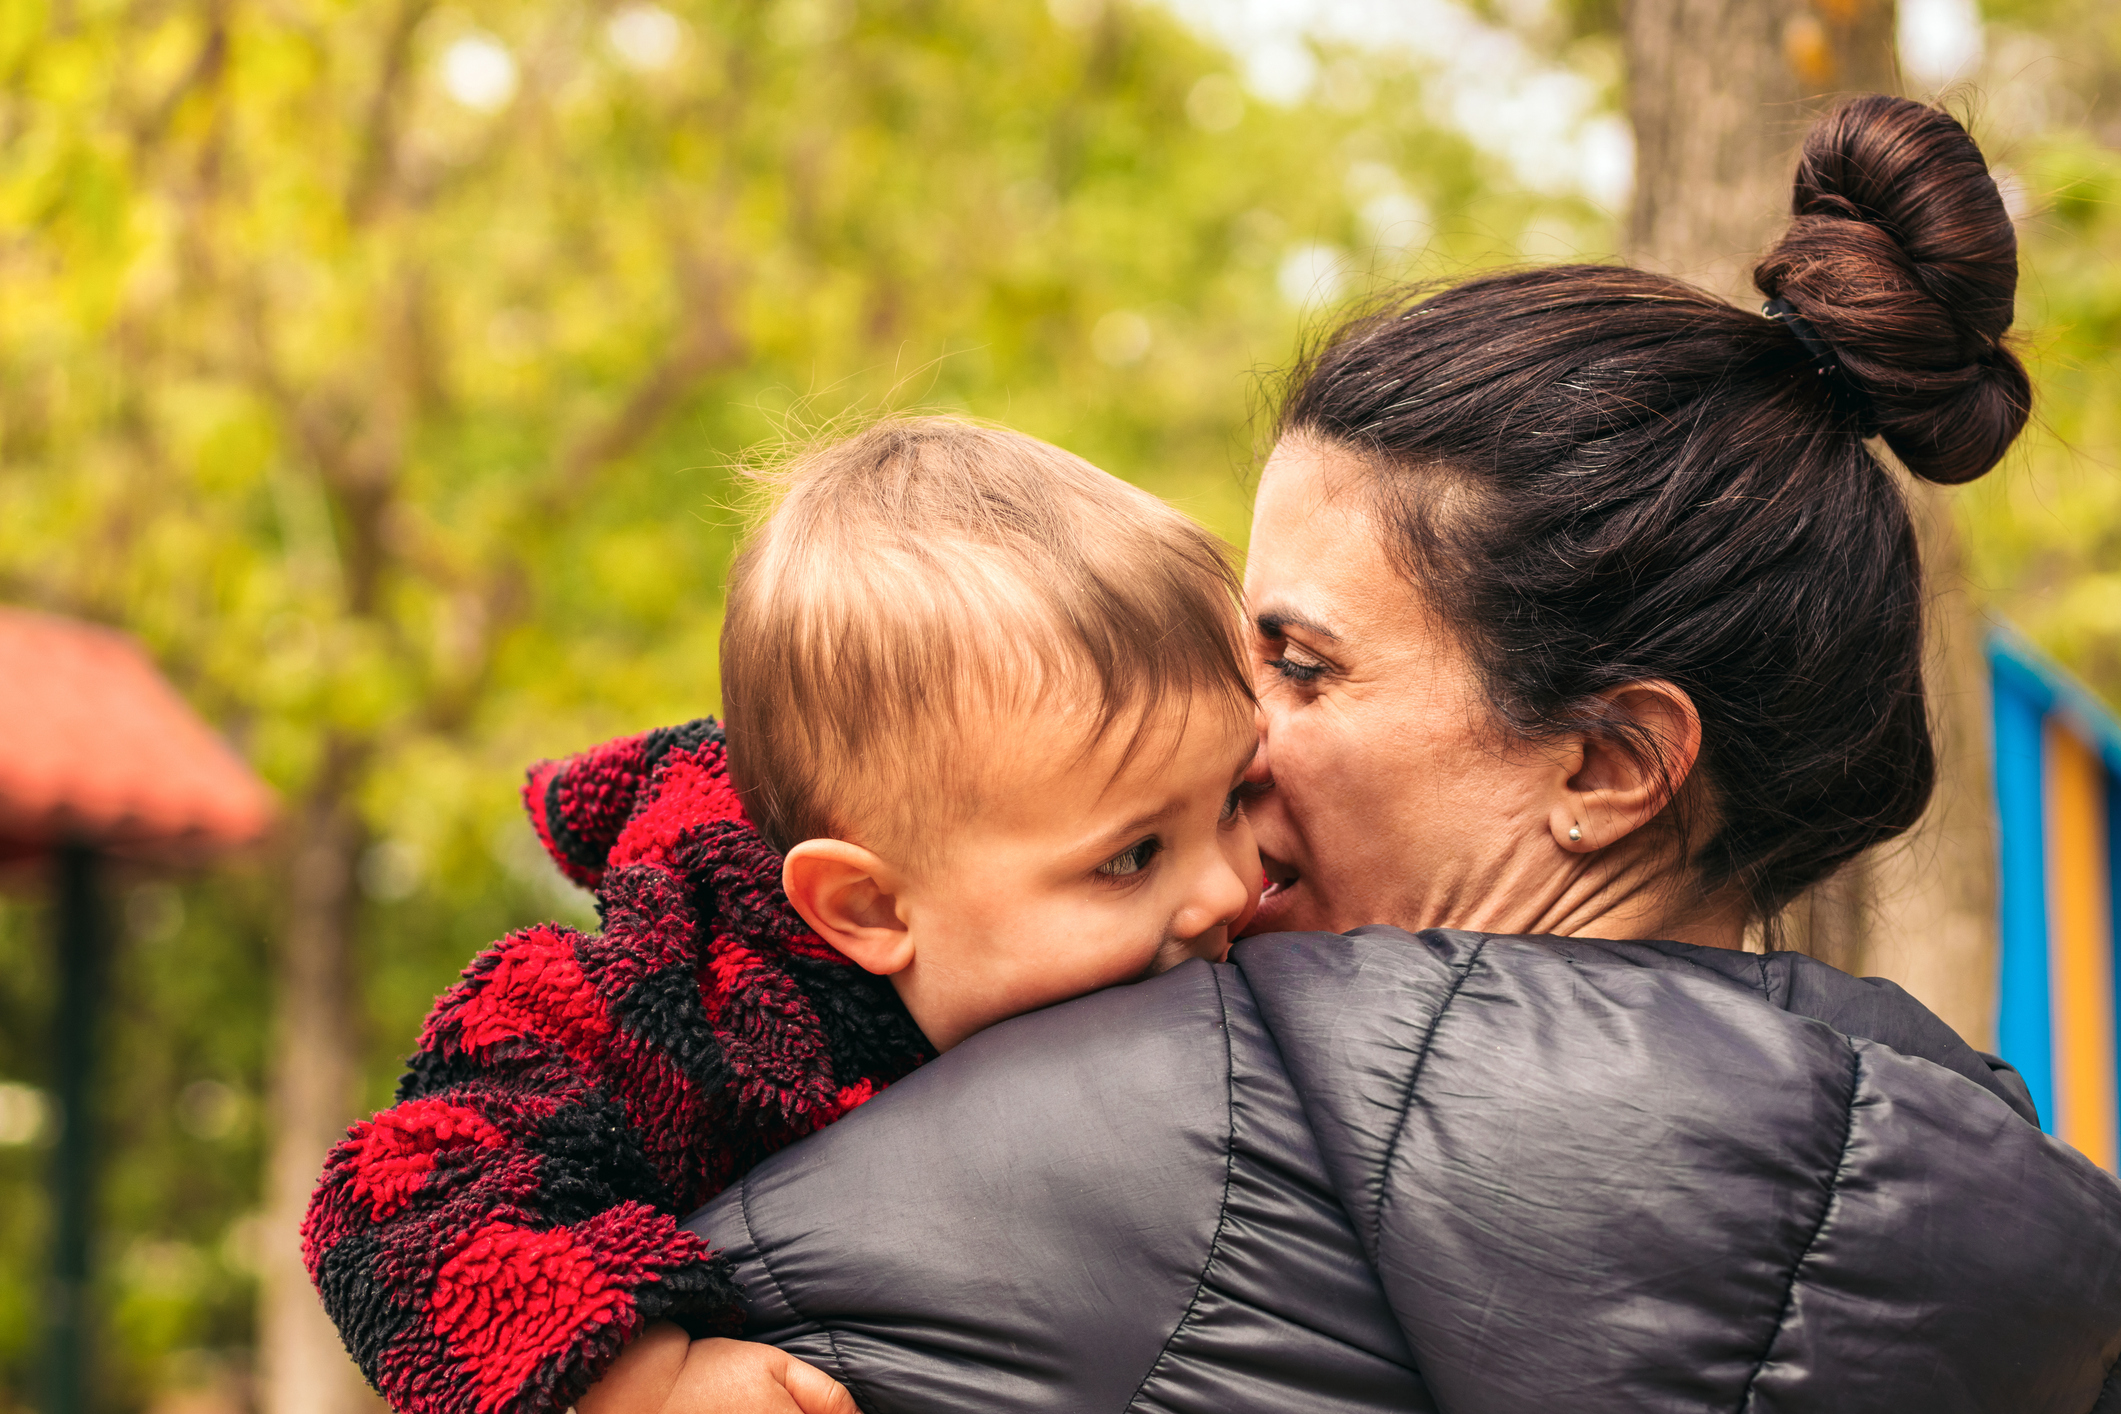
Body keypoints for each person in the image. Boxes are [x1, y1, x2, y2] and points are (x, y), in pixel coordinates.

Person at [618, 95, 2121, 1411]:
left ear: (1606, 763)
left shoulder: (1096, 1141)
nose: (1230, 728)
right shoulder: (1989, 1238)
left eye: (1298, 660)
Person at [301, 419, 1262, 1414]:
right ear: (870, 905)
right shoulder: (672, 1009)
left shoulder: (1205, 942)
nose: (1230, 889)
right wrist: (642, 1380)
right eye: (1134, 854)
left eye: (1237, 795)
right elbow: (391, 1206)